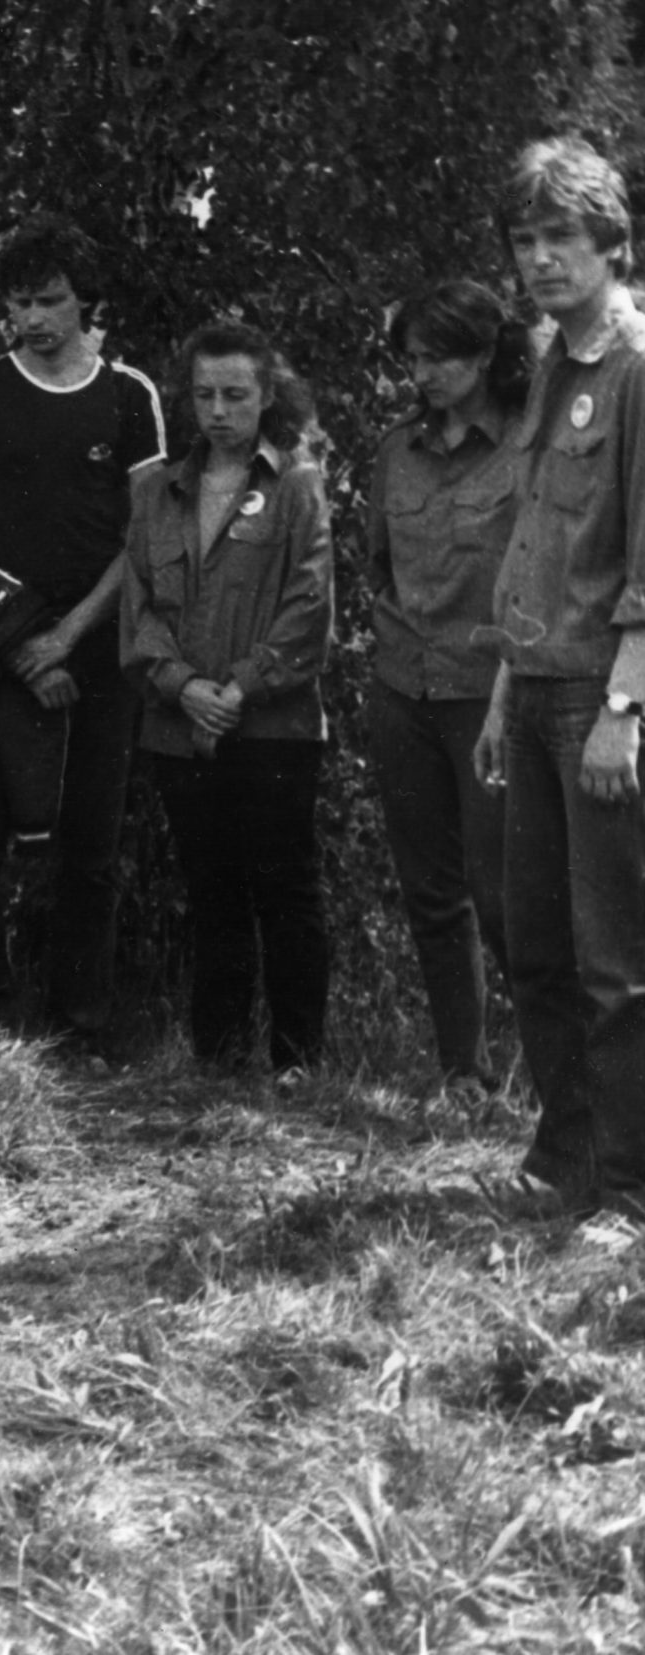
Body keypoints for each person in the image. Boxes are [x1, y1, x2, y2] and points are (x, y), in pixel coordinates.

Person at [0, 215, 165, 1040]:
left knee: (89, 848)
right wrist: (25, 642)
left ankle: (78, 1027)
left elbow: (144, 540)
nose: (34, 318)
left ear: (83, 301)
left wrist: (67, 639)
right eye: (20, 301)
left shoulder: (129, 396)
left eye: (51, 300)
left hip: (96, 653)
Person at [472, 137, 645, 1212]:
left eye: (560, 238)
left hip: (603, 693)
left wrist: (625, 706)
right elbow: (537, 537)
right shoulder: (552, 358)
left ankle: (629, 1190)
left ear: (612, 244)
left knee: (615, 958)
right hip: (534, 684)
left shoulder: (636, 367)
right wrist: (503, 691)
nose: (538, 258)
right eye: (524, 239)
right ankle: (565, 1157)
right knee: (534, 941)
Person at [121, 323, 333, 1079]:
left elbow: (310, 604)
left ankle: (297, 1062)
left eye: (235, 395)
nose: (218, 411)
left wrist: (240, 687)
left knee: (285, 890)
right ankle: (217, 1061)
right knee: (212, 894)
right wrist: (183, 687)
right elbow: (139, 609)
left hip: (274, 729)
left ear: (266, 395)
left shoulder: (297, 484)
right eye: (205, 394)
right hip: (178, 729)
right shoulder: (158, 491)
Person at [368, 280, 527, 1093]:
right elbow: (378, 563)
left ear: (487, 354)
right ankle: (465, 1072)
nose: (423, 375)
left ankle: (557, 1077)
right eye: (414, 359)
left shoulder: (527, 447)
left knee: (506, 897)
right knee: (430, 893)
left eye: (440, 358)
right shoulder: (397, 450)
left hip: (492, 699)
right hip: (404, 691)